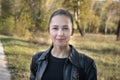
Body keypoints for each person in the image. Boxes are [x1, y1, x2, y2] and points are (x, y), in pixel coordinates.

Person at [30, 9, 97, 80]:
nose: (60, 34)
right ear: (49, 31)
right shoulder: (38, 60)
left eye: (65, 28)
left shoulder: (87, 64)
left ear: (72, 32)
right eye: (55, 28)